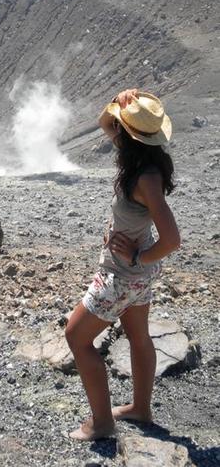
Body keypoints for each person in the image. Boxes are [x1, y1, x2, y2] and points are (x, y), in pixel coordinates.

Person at [65, 88, 180, 441]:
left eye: (120, 125)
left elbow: (172, 239)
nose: (112, 129)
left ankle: (101, 424)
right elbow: (105, 124)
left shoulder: (145, 177)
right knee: (138, 335)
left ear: (128, 136)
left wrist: (135, 255)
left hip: (122, 275)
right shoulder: (142, 162)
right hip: (136, 276)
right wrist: (121, 98)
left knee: (76, 337)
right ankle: (140, 409)